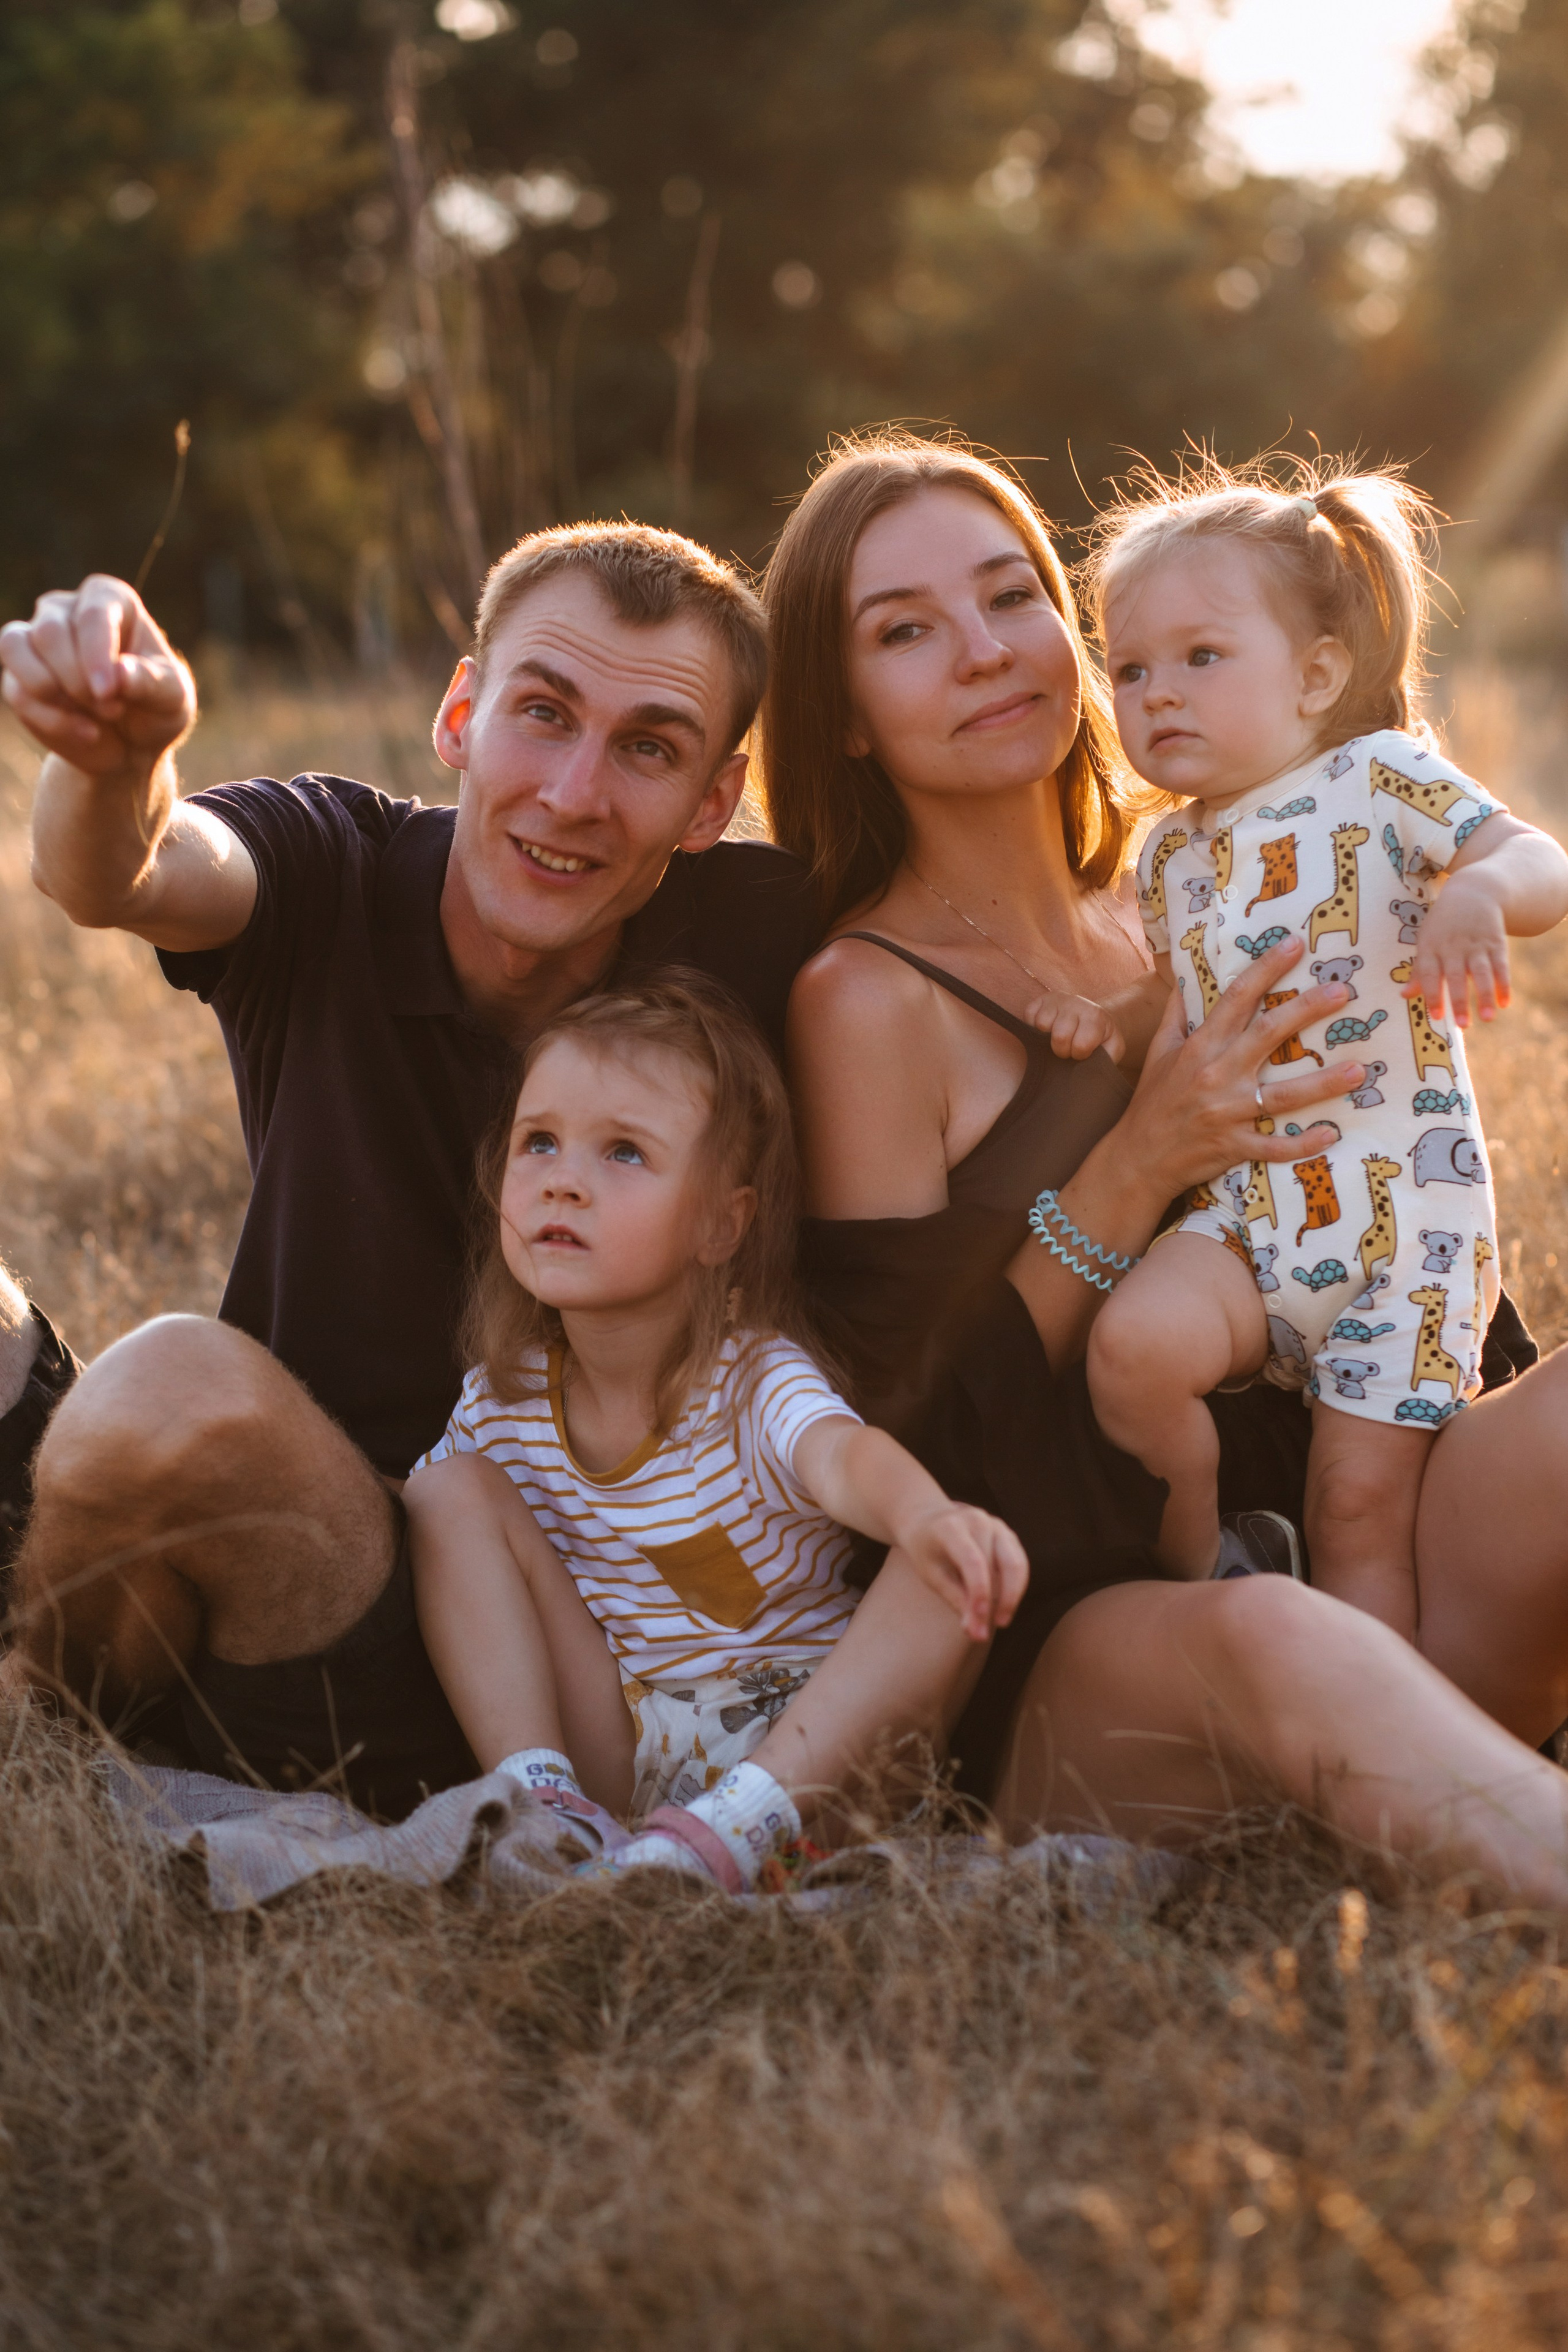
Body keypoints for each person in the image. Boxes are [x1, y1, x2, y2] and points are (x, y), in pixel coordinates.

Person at [748, 426, 1568, 1910]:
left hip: (1358, 1523)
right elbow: (907, 1423)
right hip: (1099, 1619)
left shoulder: (1181, 891)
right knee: (1284, 1641)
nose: (984, 650)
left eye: (1012, 597)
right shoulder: (863, 999)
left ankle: (1436, 1797)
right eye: (904, 631)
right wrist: (1138, 1160)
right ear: (846, 714)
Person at [0, 522, 819, 1819]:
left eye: (649, 748)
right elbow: (123, 871)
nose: (573, 793)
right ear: (459, 716)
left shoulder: (764, 940)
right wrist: (114, 764)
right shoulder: (330, 861)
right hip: (272, 1509)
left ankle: (34, 1731)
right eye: (542, 714)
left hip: (493, 1644)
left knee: (169, 1386)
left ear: (712, 803)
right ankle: (79, 1691)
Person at [403, 976, 1023, 1890]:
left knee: (950, 1564)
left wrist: (925, 1517)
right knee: (443, 1493)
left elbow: (842, 1457)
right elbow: (432, 1544)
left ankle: (729, 1835)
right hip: (624, 1752)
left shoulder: (750, 1377)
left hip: (815, 1761)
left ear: (721, 1224)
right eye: (539, 1142)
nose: (562, 1180)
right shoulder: (504, 1401)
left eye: (623, 1152)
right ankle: (542, 1809)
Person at [1084, 464, 1568, 1628]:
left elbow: (1540, 861)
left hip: (1402, 1227)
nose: (1158, 693)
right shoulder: (1169, 855)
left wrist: (1478, 893)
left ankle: (1369, 1716)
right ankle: (1212, 1564)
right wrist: (1105, 1020)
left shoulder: (1377, 778)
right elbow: (1177, 1002)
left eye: (1201, 656)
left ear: (1315, 675)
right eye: (1130, 669)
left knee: (1358, 1510)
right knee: (1133, 1353)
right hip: (1250, 1219)